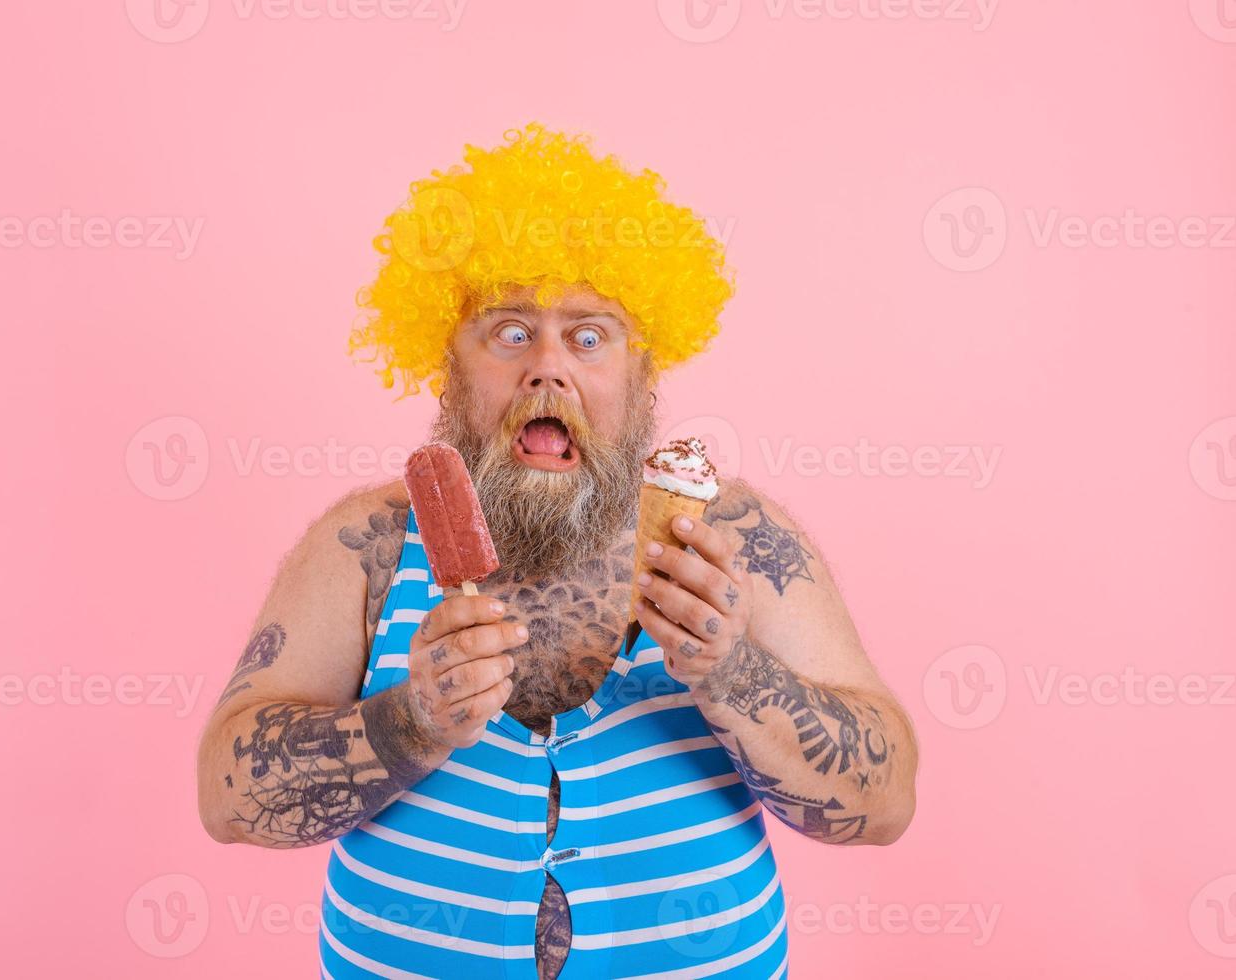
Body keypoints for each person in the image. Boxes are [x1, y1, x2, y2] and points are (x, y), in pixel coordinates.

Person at [196, 124, 918, 979]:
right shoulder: (371, 544)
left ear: (643, 376)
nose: (546, 368)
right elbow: (228, 802)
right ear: (446, 369)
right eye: (507, 332)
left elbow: (881, 807)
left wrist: (728, 671)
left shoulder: (730, 541)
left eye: (587, 336)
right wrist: (413, 719)